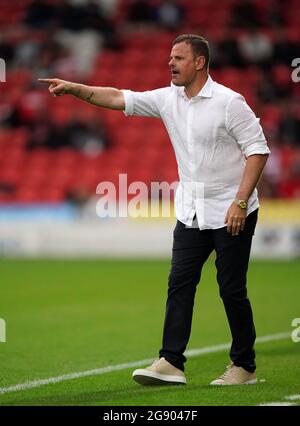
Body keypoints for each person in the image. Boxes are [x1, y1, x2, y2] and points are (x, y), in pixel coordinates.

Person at [39, 34, 270, 386]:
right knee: (179, 284)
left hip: (231, 210)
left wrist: (240, 201)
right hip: (190, 212)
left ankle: (245, 367)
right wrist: (75, 88)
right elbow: (117, 97)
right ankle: (170, 362)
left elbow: (258, 150)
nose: (170, 63)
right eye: (169, 58)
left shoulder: (229, 102)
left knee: (231, 289)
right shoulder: (167, 98)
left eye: (178, 58)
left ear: (199, 62)